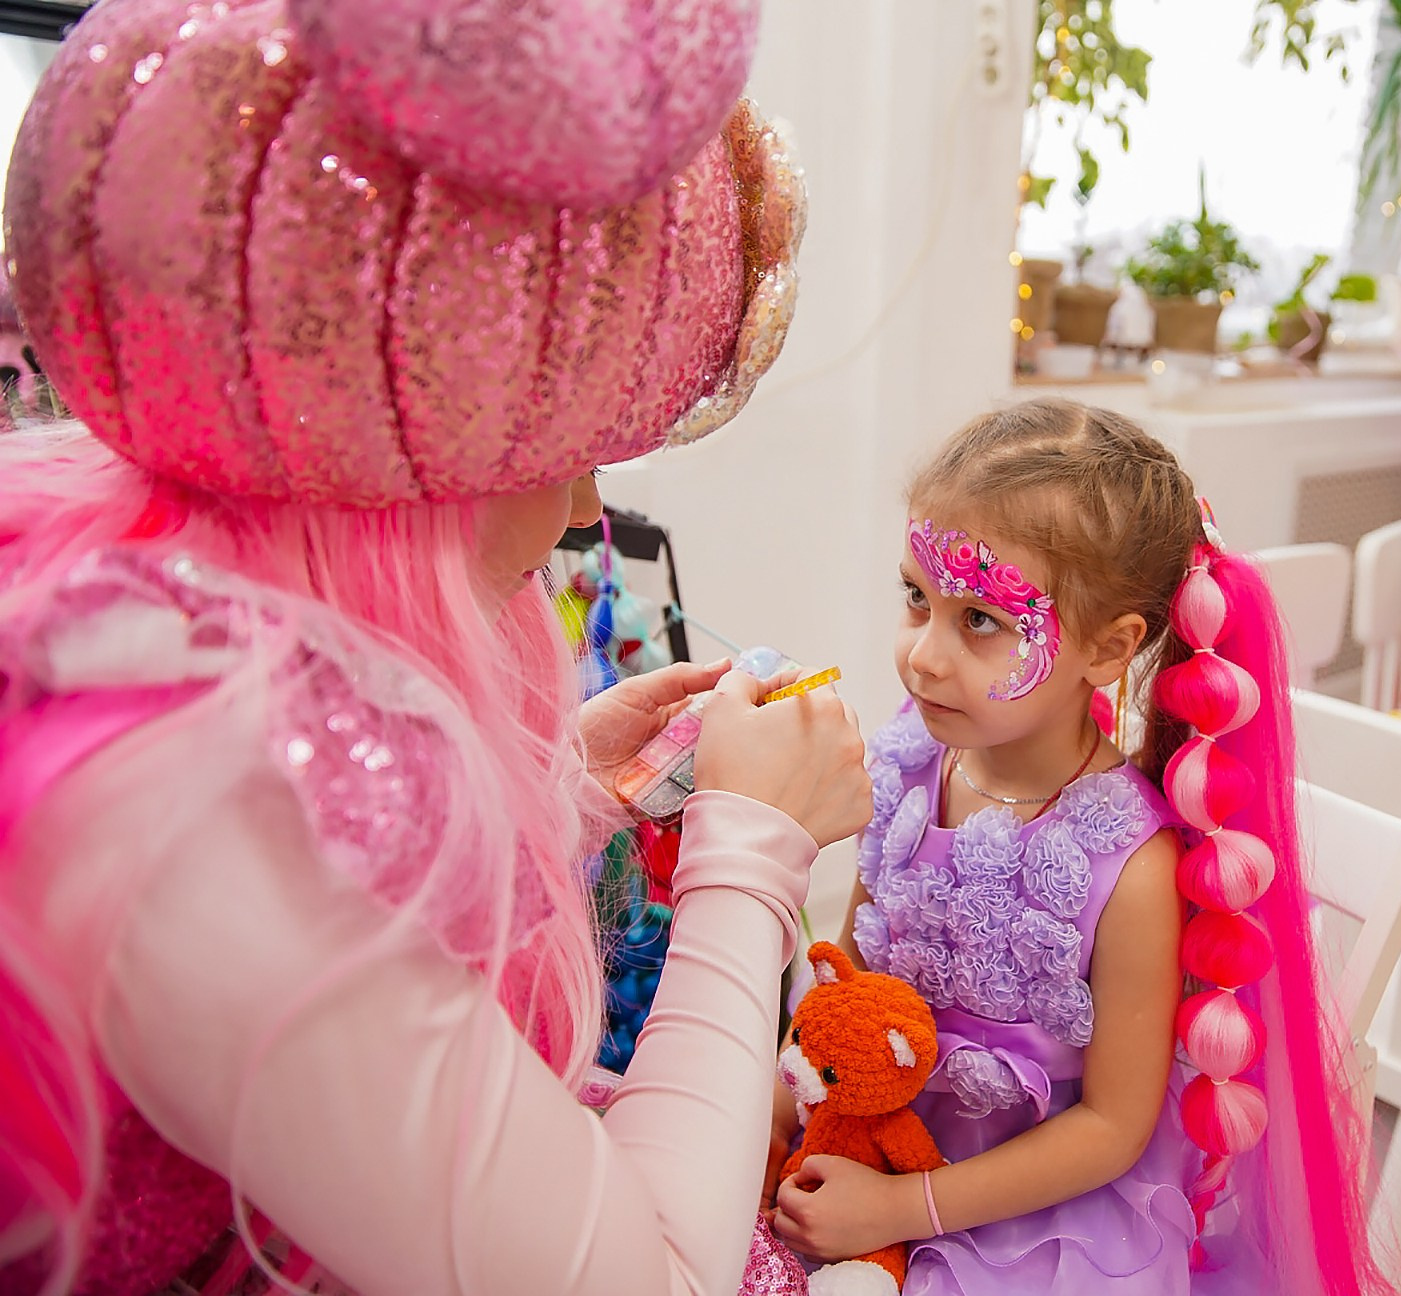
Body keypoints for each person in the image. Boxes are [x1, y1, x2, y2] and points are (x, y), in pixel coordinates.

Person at [0, 3, 874, 1294]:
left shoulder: (125, 624)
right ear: (411, 431)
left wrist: (566, 791)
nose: (586, 511)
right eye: (563, 439)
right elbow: (661, 1279)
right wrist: (749, 854)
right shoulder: (209, 811)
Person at [765, 398, 1392, 1295]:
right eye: (917, 598)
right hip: (868, 1138)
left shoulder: (1131, 869)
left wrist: (904, 1212)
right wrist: (780, 1116)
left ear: (1109, 648)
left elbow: (1110, 1128)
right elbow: (847, 988)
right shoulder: (908, 763)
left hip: (1037, 1213)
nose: (924, 658)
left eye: (981, 619)